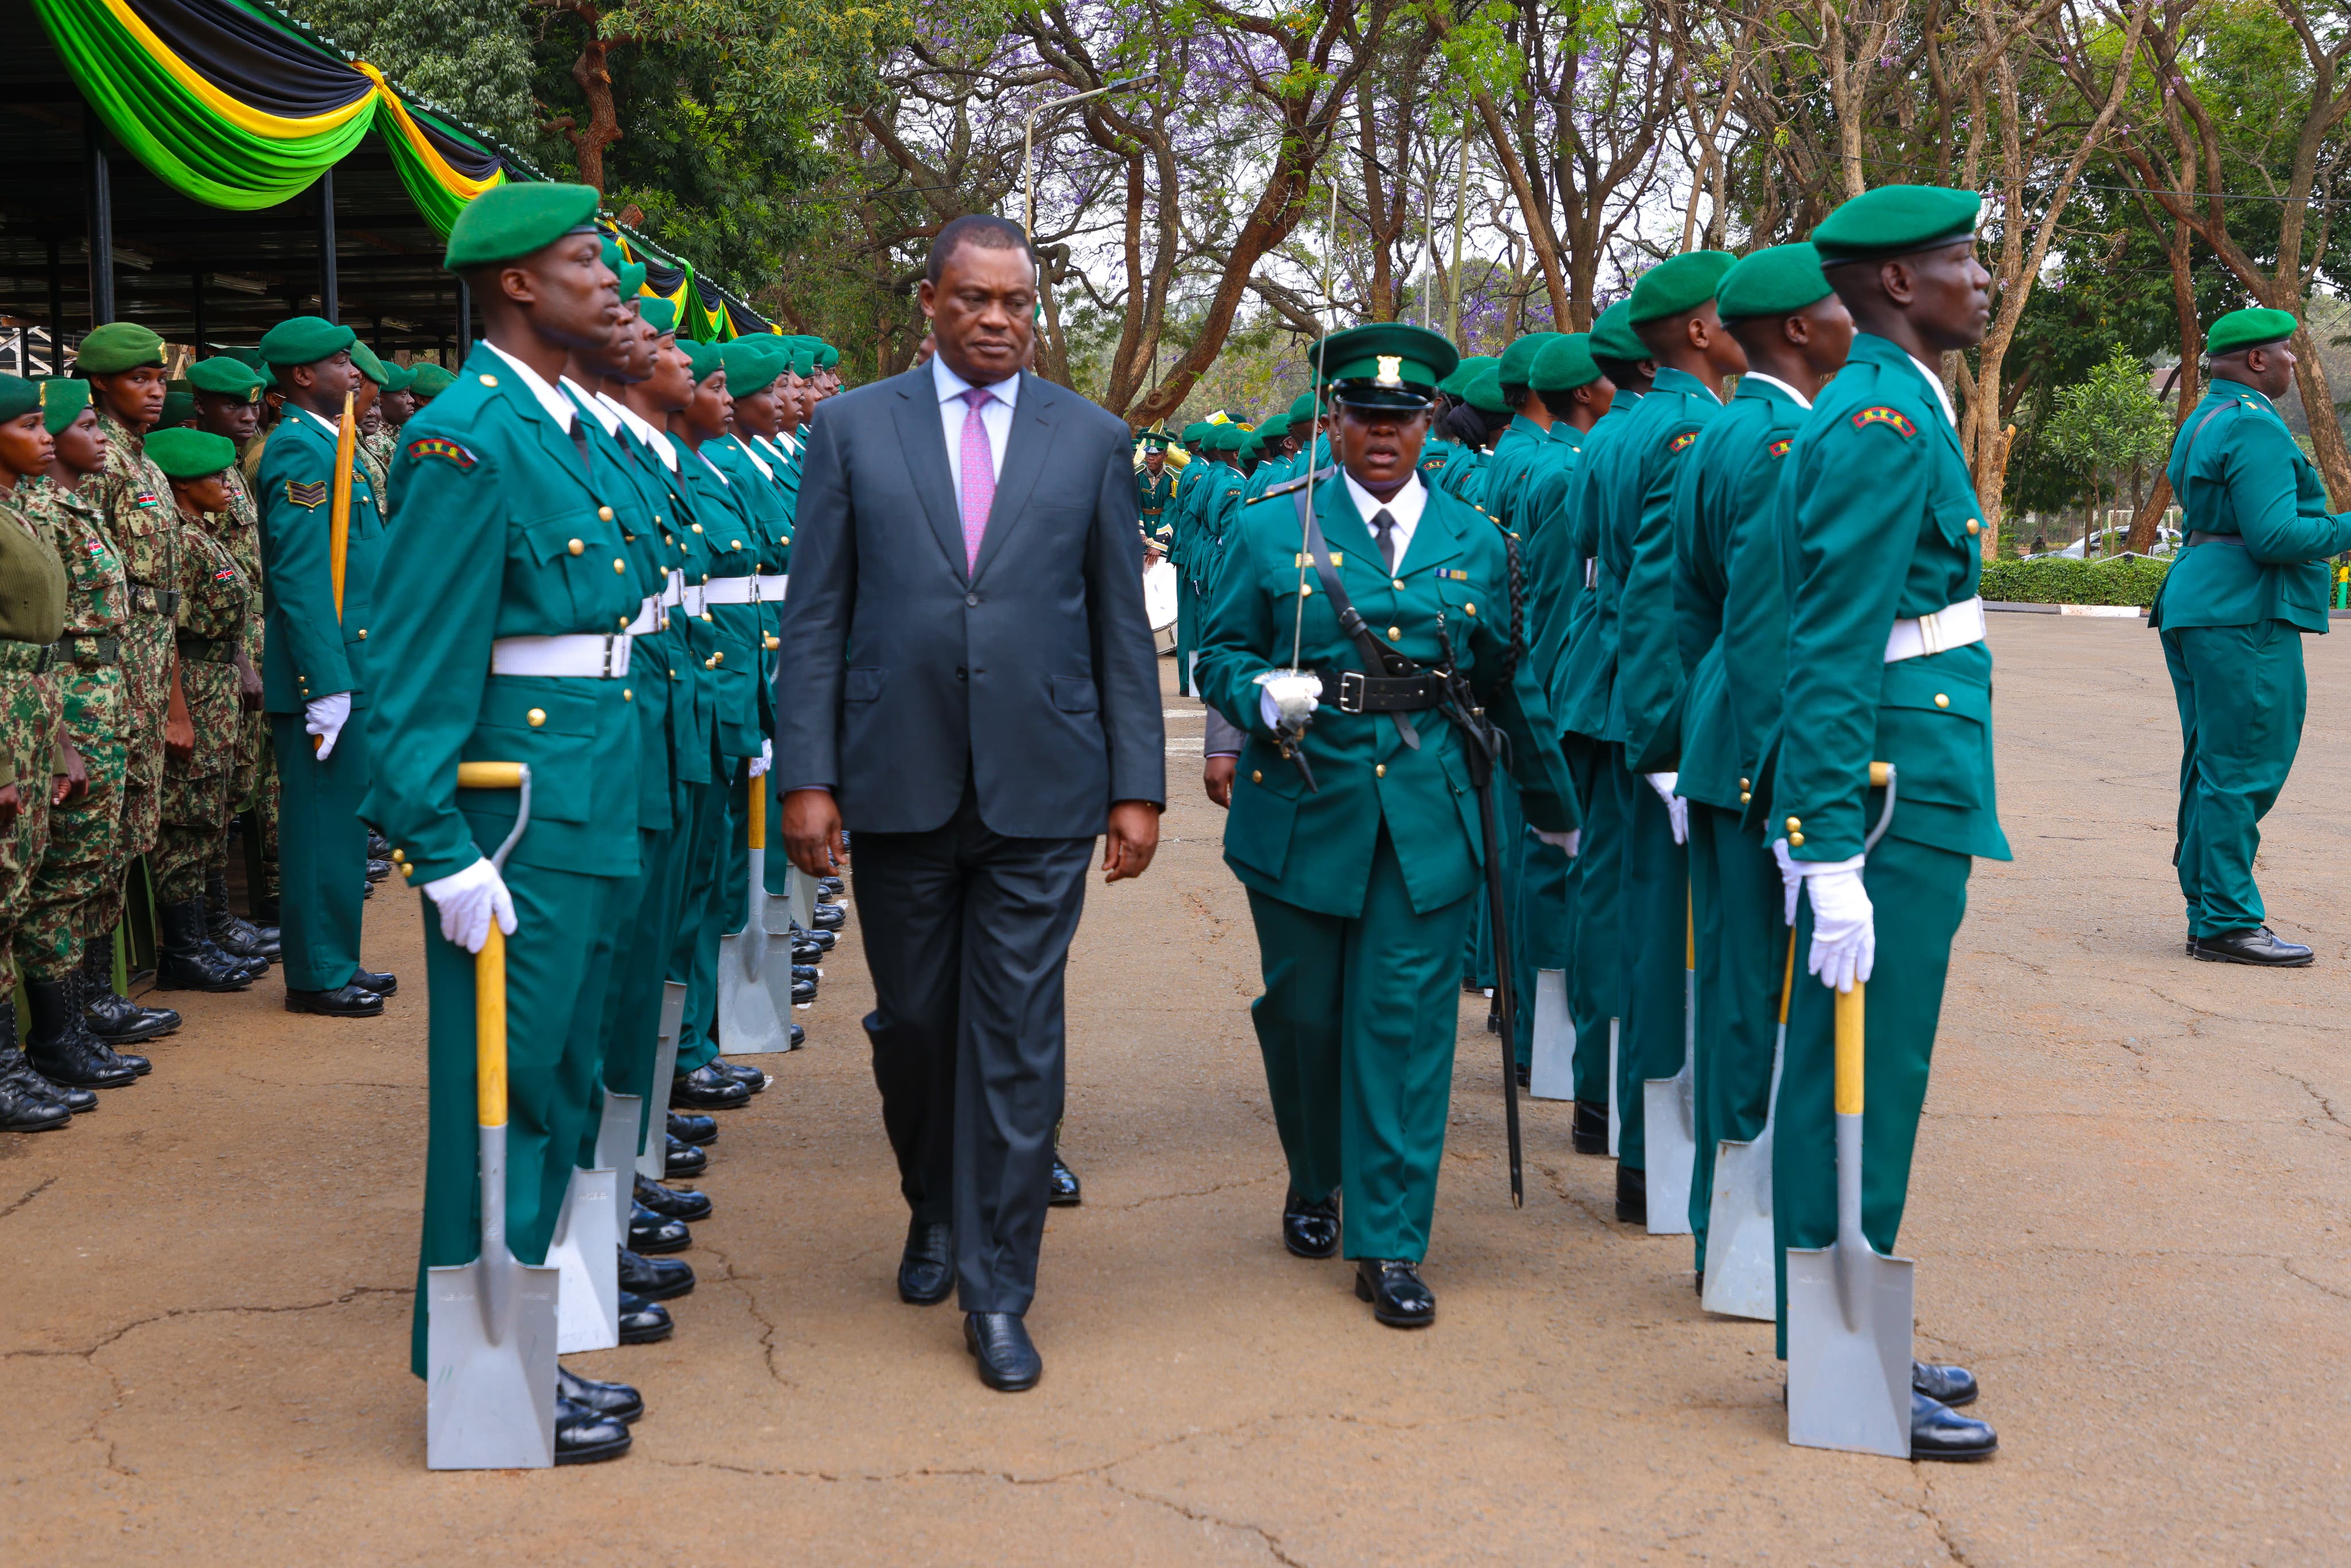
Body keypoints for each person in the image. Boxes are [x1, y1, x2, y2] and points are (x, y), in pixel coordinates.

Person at [777, 211, 1165, 1392]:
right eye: (972, 300)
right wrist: (807, 774)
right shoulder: (850, 430)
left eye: (1015, 304)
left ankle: (998, 1287)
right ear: (930, 305)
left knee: (1014, 1036)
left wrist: (1134, 786)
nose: (995, 321)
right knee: (915, 1028)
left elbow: (1116, 625)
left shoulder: (1091, 439)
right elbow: (817, 617)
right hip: (896, 780)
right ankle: (931, 1204)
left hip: (1042, 788)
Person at [1196, 323, 1577, 1328]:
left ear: (1426, 426)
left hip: (1428, 813)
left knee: (1405, 1028)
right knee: (1305, 1016)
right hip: (1302, 805)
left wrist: (1553, 810)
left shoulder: (1479, 541)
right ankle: (1313, 1171)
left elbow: (1506, 681)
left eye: (1401, 418)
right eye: (1364, 415)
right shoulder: (1268, 527)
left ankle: (1391, 1239)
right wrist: (1252, 690)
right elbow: (1216, 649)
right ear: (1335, 418)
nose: (1381, 434)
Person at [364, 181, 647, 1463]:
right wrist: (438, 850)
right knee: (501, 1087)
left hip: (596, 783)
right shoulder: (465, 439)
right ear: (519, 286)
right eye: (587, 263)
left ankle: (527, 1341)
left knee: (561, 1075)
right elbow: (415, 670)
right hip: (517, 814)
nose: (612, 285)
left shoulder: (561, 430)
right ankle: (471, 1371)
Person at [1767, 184, 2009, 1460]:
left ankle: (1853, 1332)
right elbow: (1828, 638)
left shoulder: (1901, 398)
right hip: (1881, 787)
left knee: (1879, 1065)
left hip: (1908, 769)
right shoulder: (1875, 415)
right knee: (1859, 1067)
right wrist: (1821, 844)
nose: (1983, 276)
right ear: (1899, 286)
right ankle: (1839, 1349)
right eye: (1962, 258)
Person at [1673, 244, 1850, 1275]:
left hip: (1722, 737)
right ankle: (1739, 1250)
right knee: (1752, 1010)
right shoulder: (1783, 441)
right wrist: (1782, 771)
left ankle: (1724, 1236)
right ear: (1796, 328)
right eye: (1835, 303)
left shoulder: (1727, 428)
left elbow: (1693, 600)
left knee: (1736, 999)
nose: (1849, 317)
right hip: (1760, 754)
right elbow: (1773, 629)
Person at [1603, 250, 1745, 1227]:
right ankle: (1653, 1166)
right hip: (1667, 709)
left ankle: (1639, 1154)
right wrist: (1668, 746)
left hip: (1621, 690)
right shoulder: (1696, 427)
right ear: (1699, 331)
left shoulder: (1631, 423)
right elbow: (1664, 600)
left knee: (1642, 926)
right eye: (1730, 308)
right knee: (1672, 945)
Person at [2151, 305, 2351, 965]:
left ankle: (2208, 911)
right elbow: (2275, 538)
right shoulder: (2256, 428)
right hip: (2243, 609)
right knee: (2242, 765)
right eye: (2287, 351)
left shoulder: (2203, 418)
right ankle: (2229, 921)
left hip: (2198, 598)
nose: (2294, 360)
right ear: (2257, 361)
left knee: (2211, 763)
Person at [15, 380, 154, 1088]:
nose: (97, 436)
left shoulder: (67, 504)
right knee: (57, 872)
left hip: (98, 691)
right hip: (63, 696)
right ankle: (55, 1037)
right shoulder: (35, 509)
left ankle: (81, 1014)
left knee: (94, 857)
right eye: (83, 424)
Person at [1543, 300, 1655, 1170]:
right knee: (1647, 909)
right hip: (1644, 695)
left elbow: (1580, 553)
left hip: (1591, 674)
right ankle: (1632, 1114)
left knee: (1598, 891)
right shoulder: (1691, 429)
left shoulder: (1601, 440)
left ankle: (1594, 1091)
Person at [255, 316, 394, 1017]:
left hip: (352, 663)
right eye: (341, 362)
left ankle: (338, 958)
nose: (354, 372)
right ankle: (314, 975)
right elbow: (303, 576)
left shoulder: (331, 443)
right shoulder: (298, 450)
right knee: (316, 826)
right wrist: (325, 681)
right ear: (302, 376)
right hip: (327, 675)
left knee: (341, 825)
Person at [78, 323, 183, 1043]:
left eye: (159, 378)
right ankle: (90, 996)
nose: (153, 390)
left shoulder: (141, 461)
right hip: (116, 666)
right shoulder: (101, 462)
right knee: (102, 833)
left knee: (130, 823)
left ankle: (98, 993)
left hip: (150, 657)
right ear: (101, 385)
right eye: (138, 379)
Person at [146, 426, 265, 991]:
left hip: (216, 678)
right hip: (191, 681)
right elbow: (164, 627)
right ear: (184, 485)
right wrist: (178, 709)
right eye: (216, 476)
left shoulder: (202, 533)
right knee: (186, 819)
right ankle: (185, 948)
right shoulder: (179, 542)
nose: (227, 484)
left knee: (212, 810)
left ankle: (212, 930)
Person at [0, 372, 76, 1130]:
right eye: (28, 425)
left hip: (28, 711)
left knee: (16, 889)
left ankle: (20, 1063)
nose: (45, 435)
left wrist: (55, 742)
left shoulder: (18, 511)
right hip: (2, 724)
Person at [188, 356, 280, 959]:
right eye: (232, 406)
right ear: (202, 408)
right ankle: (197, 935)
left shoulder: (230, 469)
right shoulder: (191, 468)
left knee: (233, 786)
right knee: (202, 798)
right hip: (213, 659)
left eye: (251, 404)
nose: (247, 415)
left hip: (246, 646)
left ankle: (218, 921)